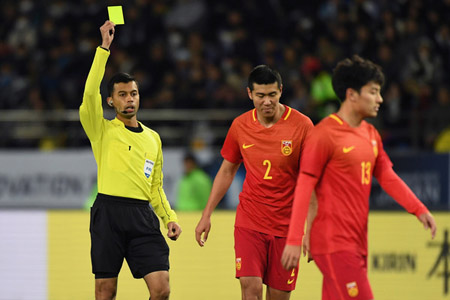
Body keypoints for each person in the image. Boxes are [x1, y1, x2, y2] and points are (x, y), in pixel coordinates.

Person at [281, 55, 437, 300]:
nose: (380, 99)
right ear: (352, 95)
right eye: (373, 92)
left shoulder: (371, 134)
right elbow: (304, 186)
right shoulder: (324, 134)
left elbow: (387, 176)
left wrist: (419, 209)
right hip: (333, 243)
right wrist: (294, 239)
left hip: (357, 243)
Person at [79, 21, 182, 300]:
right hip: (108, 214)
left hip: (141, 216)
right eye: (122, 95)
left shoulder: (153, 138)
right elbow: (89, 94)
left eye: (133, 94)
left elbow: (156, 187)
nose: (129, 100)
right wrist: (104, 49)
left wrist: (168, 218)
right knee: (105, 292)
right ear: (111, 101)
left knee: (161, 289)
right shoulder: (101, 130)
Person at [195, 65, 314, 300]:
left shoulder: (302, 126)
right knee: (251, 289)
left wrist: (311, 229)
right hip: (250, 221)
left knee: (278, 296)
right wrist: (206, 214)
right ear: (249, 94)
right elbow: (227, 171)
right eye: (260, 96)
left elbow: (310, 181)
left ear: (281, 91)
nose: (267, 101)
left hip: (287, 227)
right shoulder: (240, 126)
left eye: (272, 94)